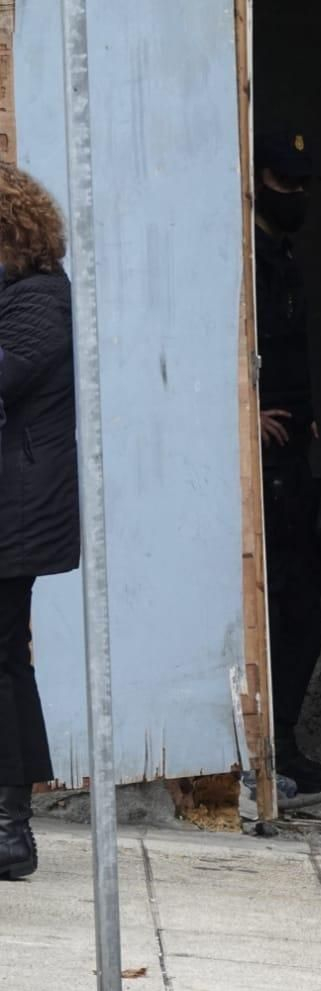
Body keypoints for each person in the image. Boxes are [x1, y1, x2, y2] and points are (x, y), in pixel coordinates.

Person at [253, 129, 321, 795]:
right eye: (286, 184)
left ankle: (281, 744)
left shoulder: (279, 255)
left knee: (303, 604)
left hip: (290, 454)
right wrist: (242, 418)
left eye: (304, 185)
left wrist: (303, 407)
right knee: (280, 605)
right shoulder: (241, 256)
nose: (297, 196)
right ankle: (267, 751)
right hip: (257, 460)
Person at [0, 163, 80, 880]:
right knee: (5, 665)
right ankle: (9, 826)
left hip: (14, 514)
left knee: (3, 667)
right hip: (12, 507)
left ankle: (10, 826)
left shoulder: (38, 300)